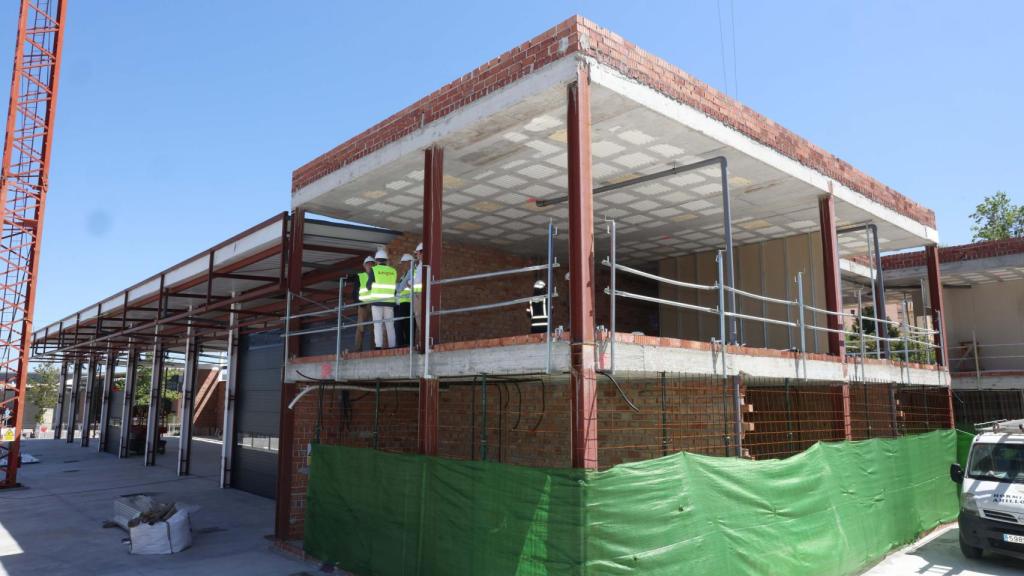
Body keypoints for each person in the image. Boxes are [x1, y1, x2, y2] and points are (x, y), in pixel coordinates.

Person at [364, 249, 397, 349]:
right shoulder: (393, 271)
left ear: (377, 261)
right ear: (386, 261)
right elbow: (394, 288)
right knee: (390, 325)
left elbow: (368, 286)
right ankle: (392, 345)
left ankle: (378, 346)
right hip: (390, 302)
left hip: (377, 302)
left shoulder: (374, 270)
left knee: (378, 325)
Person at [351, 256, 374, 351]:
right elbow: (355, 292)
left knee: (374, 329)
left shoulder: (376, 275)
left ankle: (374, 349)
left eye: (372, 263)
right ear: (364, 265)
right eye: (368, 263)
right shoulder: (360, 276)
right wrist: (359, 303)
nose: (370, 265)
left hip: (374, 305)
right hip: (363, 305)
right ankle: (357, 349)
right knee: (361, 328)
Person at [394, 253, 415, 347]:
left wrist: (400, 285)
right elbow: (399, 286)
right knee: (404, 325)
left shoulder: (411, 271)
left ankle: (408, 344)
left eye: (403, 262)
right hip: (403, 302)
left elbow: (399, 288)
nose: (402, 265)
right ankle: (405, 344)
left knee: (408, 325)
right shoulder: (405, 274)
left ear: (409, 262)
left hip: (408, 302)